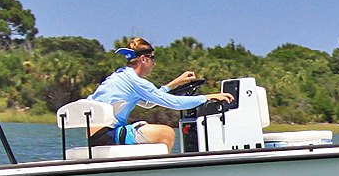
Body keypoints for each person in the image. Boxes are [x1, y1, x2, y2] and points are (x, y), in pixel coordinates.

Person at [88, 37, 234, 152]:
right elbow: (174, 103)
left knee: (154, 134)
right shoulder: (135, 81)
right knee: (166, 133)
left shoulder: (120, 75)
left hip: (97, 135)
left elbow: (149, 103)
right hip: (108, 134)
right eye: (153, 58)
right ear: (144, 59)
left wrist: (174, 83)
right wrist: (207, 97)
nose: (154, 64)